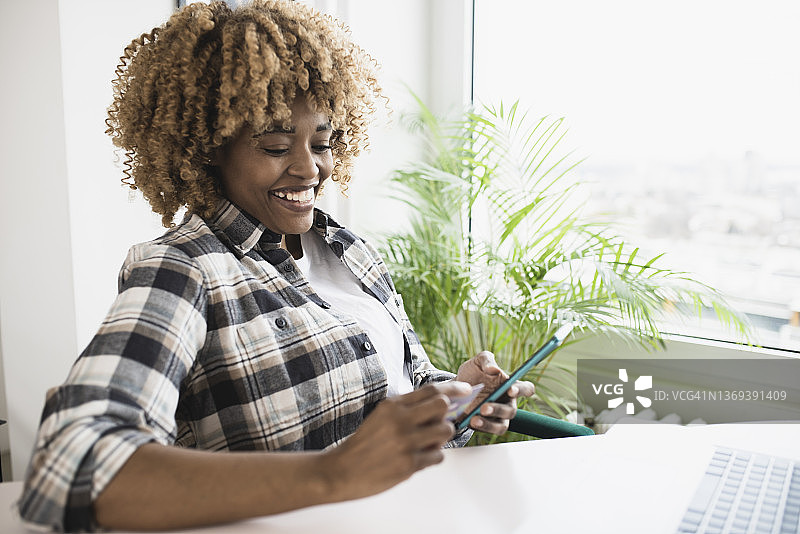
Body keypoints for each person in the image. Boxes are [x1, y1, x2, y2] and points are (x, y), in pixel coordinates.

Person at [17, 1, 535, 531]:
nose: (310, 168)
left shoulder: (348, 250)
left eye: (322, 143)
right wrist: (334, 473)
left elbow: (399, 393)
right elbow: (74, 463)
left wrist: (458, 396)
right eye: (275, 146)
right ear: (210, 148)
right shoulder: (183, 270)